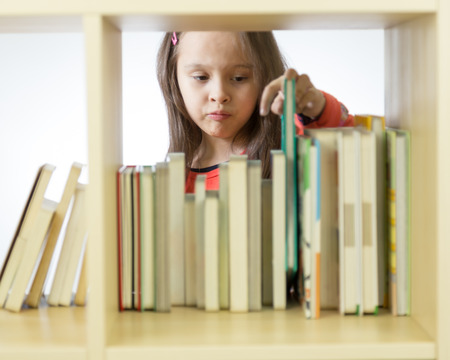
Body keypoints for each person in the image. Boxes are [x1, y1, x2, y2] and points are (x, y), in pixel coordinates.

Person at [156, 31, 353, 193]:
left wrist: (317, 108)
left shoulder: (292, 143)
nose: (219, 94)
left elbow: (357, 147)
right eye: (200, 77)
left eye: (239, 78)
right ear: (173, 78)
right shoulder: (169, 182)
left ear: (265, 75)